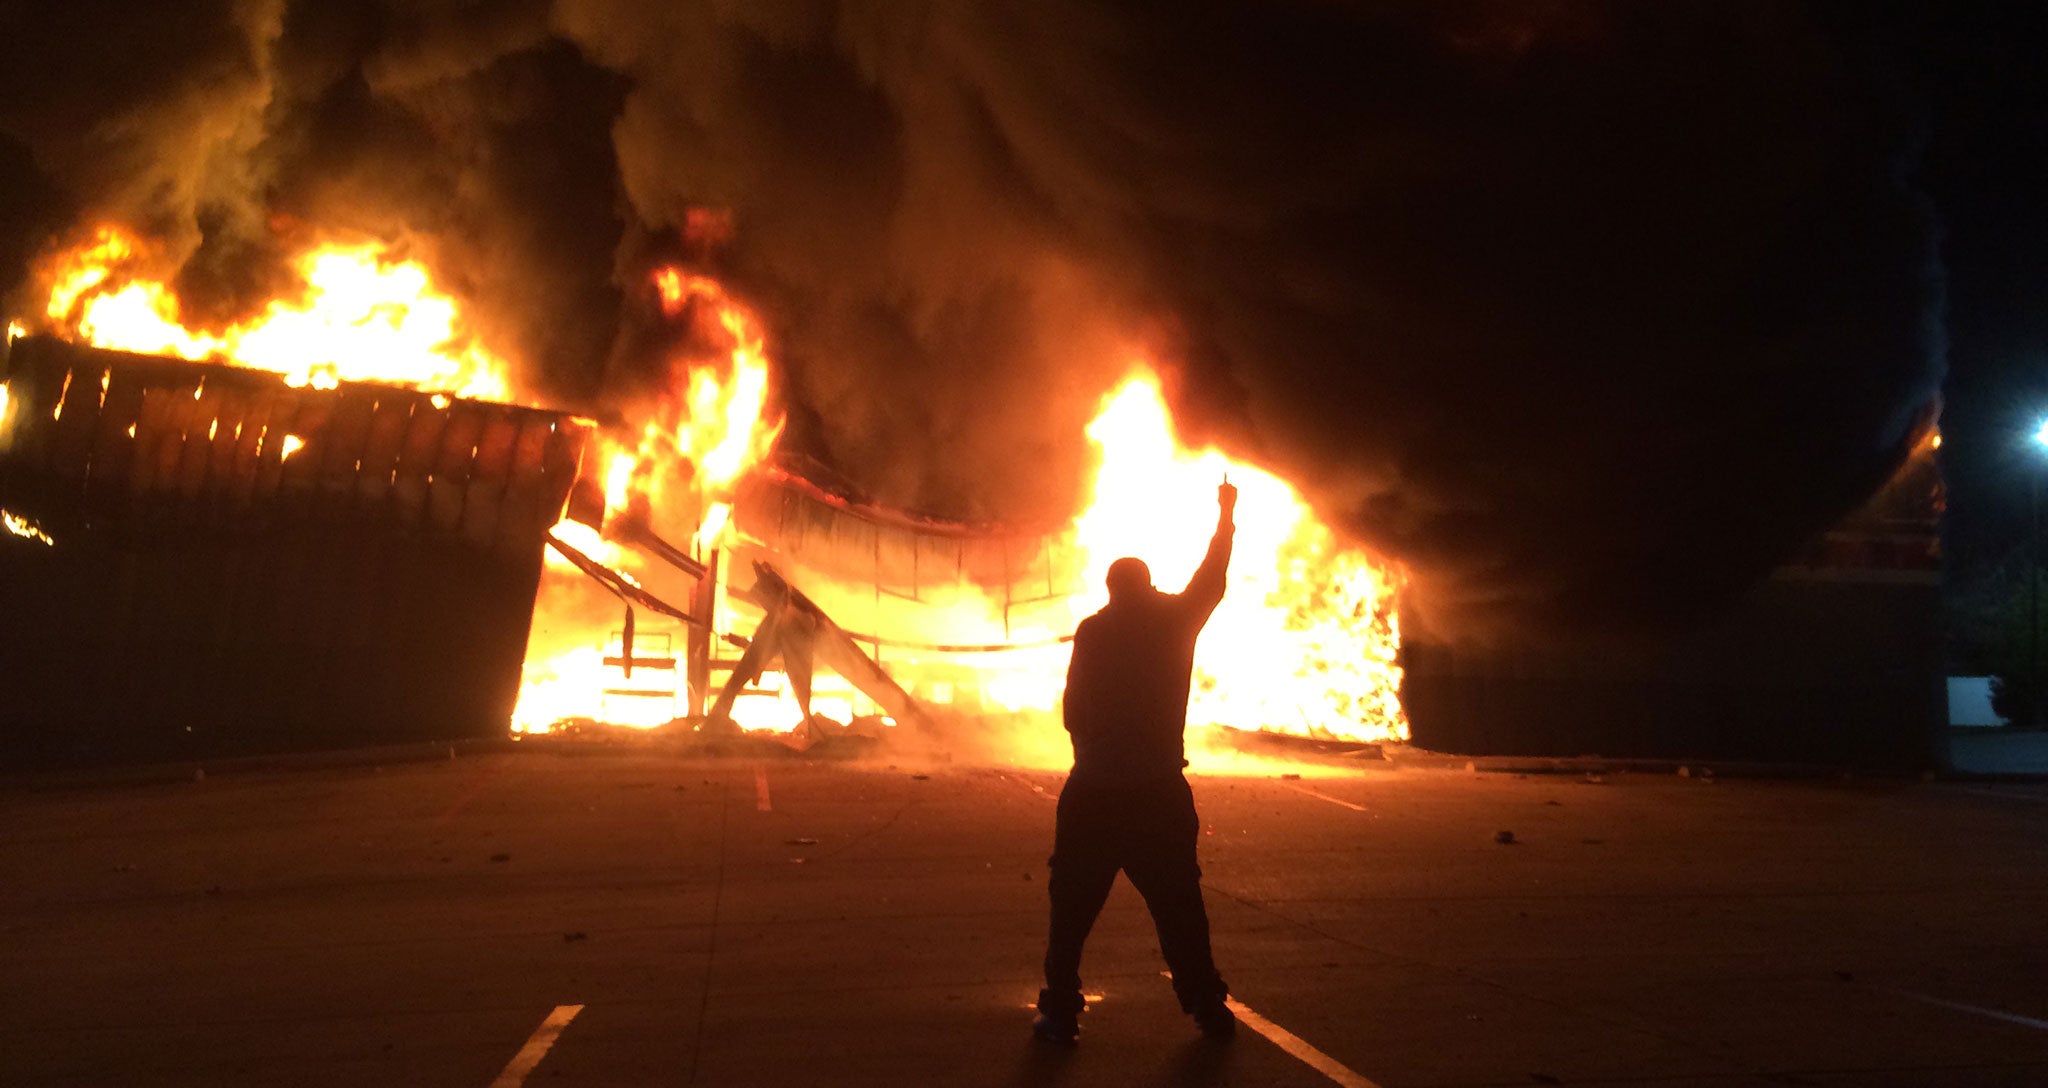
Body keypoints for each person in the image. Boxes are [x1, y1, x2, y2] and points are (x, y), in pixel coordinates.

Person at [1034, 478, 1239, 1045]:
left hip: (1095, 791)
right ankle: (1206, 1008)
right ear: (1148, 584)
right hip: (1158, 791)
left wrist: (1094, 753)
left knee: (1071, 909)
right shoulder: (1175, 621)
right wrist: (1225, 516)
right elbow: (1212, 578)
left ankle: (1059, 1013)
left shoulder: (1093, 631)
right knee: (1179, 905)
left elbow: (1072, 708)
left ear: (1109, 588)